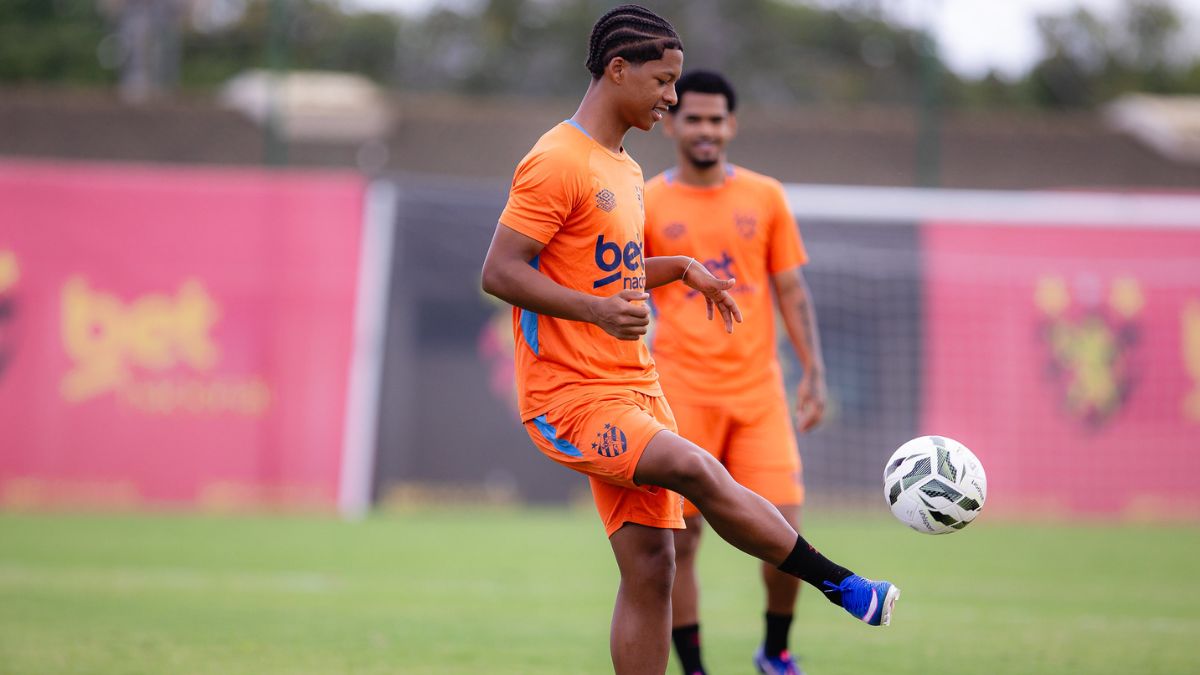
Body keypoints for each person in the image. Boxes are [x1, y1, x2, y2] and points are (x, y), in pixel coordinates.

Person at [480, 6, 899, 674]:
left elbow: (602, 268)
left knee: (654, 565)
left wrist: (678, 270)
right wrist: (595, 311)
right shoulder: (555, 160)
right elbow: (499, 271)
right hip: (572, 398)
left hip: (635, 386)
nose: (673, 98)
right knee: (699, 468)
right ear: (617, 69)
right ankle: (840, 582)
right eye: (663, 82)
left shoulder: (619, 167)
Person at [644, 69, 825, 675]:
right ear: (671, 122)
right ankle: (694, 669)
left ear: (732, 125)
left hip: (758, 394)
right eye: (692, 117)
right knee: (680, 542)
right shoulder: (648, 198)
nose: (705, 129)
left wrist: (814, 373)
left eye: (716, 119)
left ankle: (775, 652)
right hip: (679, 392)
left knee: (785, 536)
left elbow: (791, 290)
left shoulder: (766, 196)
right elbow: (623, 282)